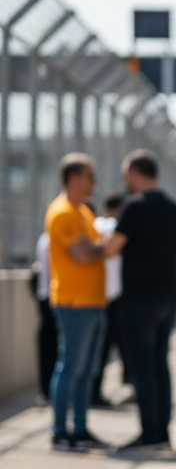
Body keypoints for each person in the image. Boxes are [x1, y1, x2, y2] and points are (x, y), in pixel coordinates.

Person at [106, 150, 176, 450]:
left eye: (127, 174)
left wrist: (89, 247)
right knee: (159, 362)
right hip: (168, 294)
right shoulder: (175, 209)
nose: (125, 181)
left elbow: (112, 248)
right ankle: (162, 431)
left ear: (137, 173)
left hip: (138, 298)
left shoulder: (133, 207)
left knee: (140, 365)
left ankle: (149, 432)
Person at [44, 154, 108, 450]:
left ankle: (79, 428)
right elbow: (83, 253)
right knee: (70, 368)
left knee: (85, 371)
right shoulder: (62, 213)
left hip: (92, 302)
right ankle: (59, 431)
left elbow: (94, 248)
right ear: (73, 178)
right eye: (89, 176)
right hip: (73, 303)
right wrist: (102, 248)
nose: (93, 182)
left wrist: (98, 248)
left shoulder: (82, 211)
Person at [92, 193, 126, 406]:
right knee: (106, 349)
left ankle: (92, 391)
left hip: (94, 294)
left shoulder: (92, 224)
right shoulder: (116, 226)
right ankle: (97, 392)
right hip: (114, 296)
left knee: (94, 349)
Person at [33, 230, 58, 404]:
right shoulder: (52, 239)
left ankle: (47, 392)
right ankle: (48, 392)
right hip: (53, 298)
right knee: (51, 347)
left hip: (46, 297)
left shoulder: (45, 238)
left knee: (48, 346)